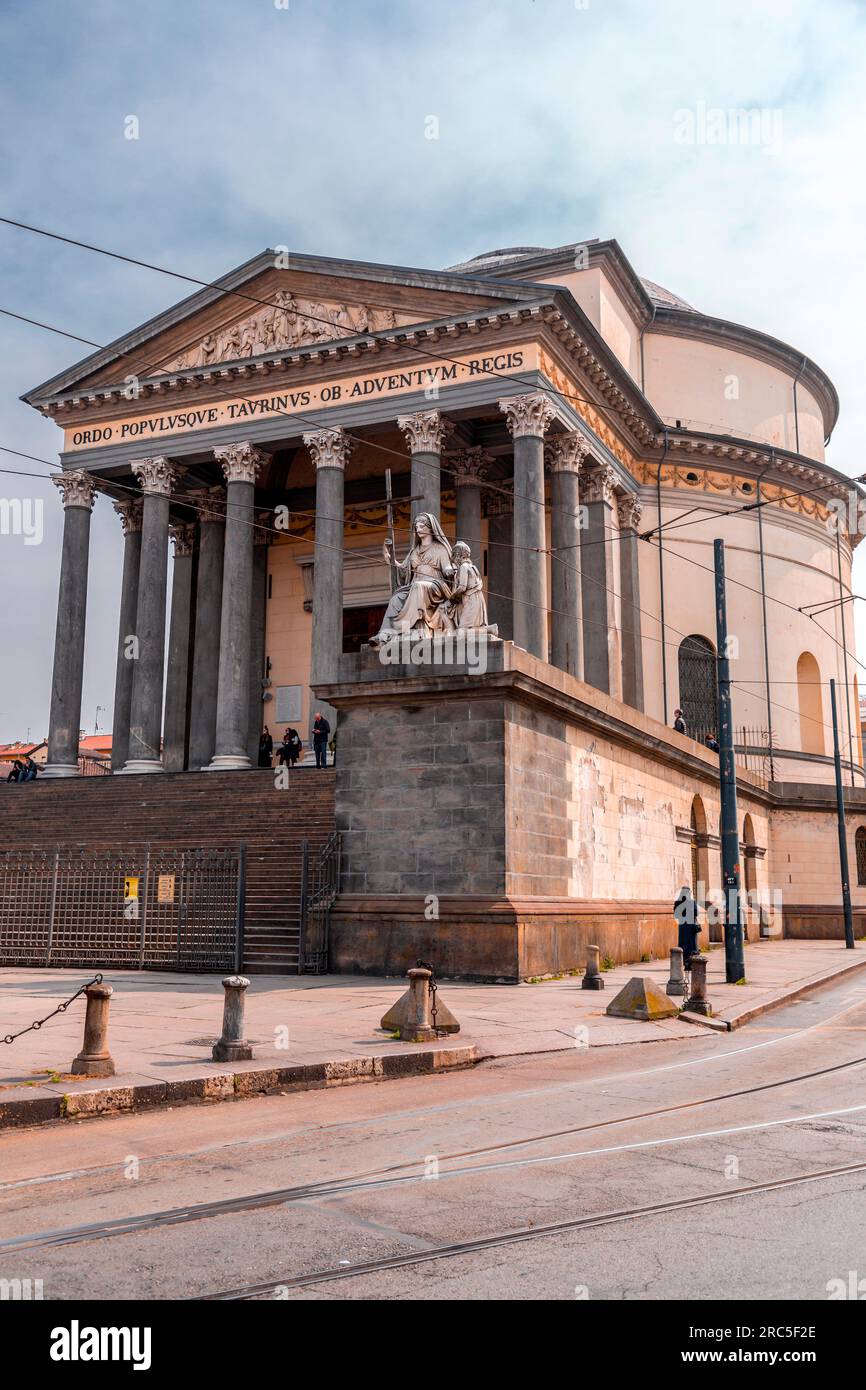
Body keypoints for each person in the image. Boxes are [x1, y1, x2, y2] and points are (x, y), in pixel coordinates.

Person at [370, 512, 454, 644]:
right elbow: (402, 570)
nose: (418, 530)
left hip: (435, 586)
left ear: (431, 527)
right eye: (417, 527)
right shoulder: (414, 551)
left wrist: (449, 570)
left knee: (418, 587)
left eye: (422, 526)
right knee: (396, 598)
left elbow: (447, 567)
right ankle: (384, 634)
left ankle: (408, 628)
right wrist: (388, 554)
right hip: (415, 586)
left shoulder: (440, 548)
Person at [674, 885, 701, 966]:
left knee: (683, 943)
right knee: (692, 943)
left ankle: (683, 961)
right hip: (691, 926)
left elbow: (676, 915)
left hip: (682, 926)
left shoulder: (678, 902)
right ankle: (692, 962)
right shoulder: (692, 902)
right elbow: (696, 913)